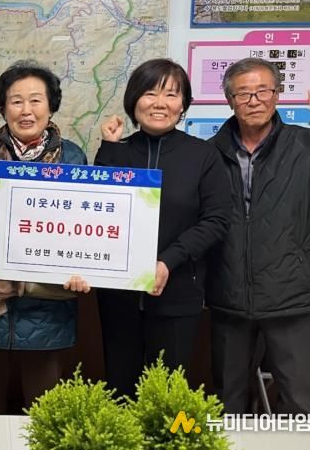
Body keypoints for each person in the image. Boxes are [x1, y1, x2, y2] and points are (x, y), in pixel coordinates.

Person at [0, 60, 90, 414]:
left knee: (44, 411)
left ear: (51, 106)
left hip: (47, 303)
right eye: (16, 101)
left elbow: (81, 227)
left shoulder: (72, 156)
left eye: (35, 100)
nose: (26, 110)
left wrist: (83, 268)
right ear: (2, 107)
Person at [207, 57, 310, 414]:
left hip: (291, 295)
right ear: (230, 100)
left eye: (263, 91)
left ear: (277, 94)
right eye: (243, 93)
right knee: (227, 403)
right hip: (229, 296)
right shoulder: (210, 152)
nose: (254, 100)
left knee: (300, 404)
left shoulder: (307, 144)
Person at [94, 58, 231, 398]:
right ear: (134, 100)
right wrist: (109, 149)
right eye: (150, 93)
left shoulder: (203, 155)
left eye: (171, 94)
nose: (160, 103)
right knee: (119, 388)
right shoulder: (117, 151)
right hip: (119, 297)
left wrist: (168, 261)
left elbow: (216, 220)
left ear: (183, 104)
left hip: (179, 291)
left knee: (167, 393)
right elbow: (100, 213)